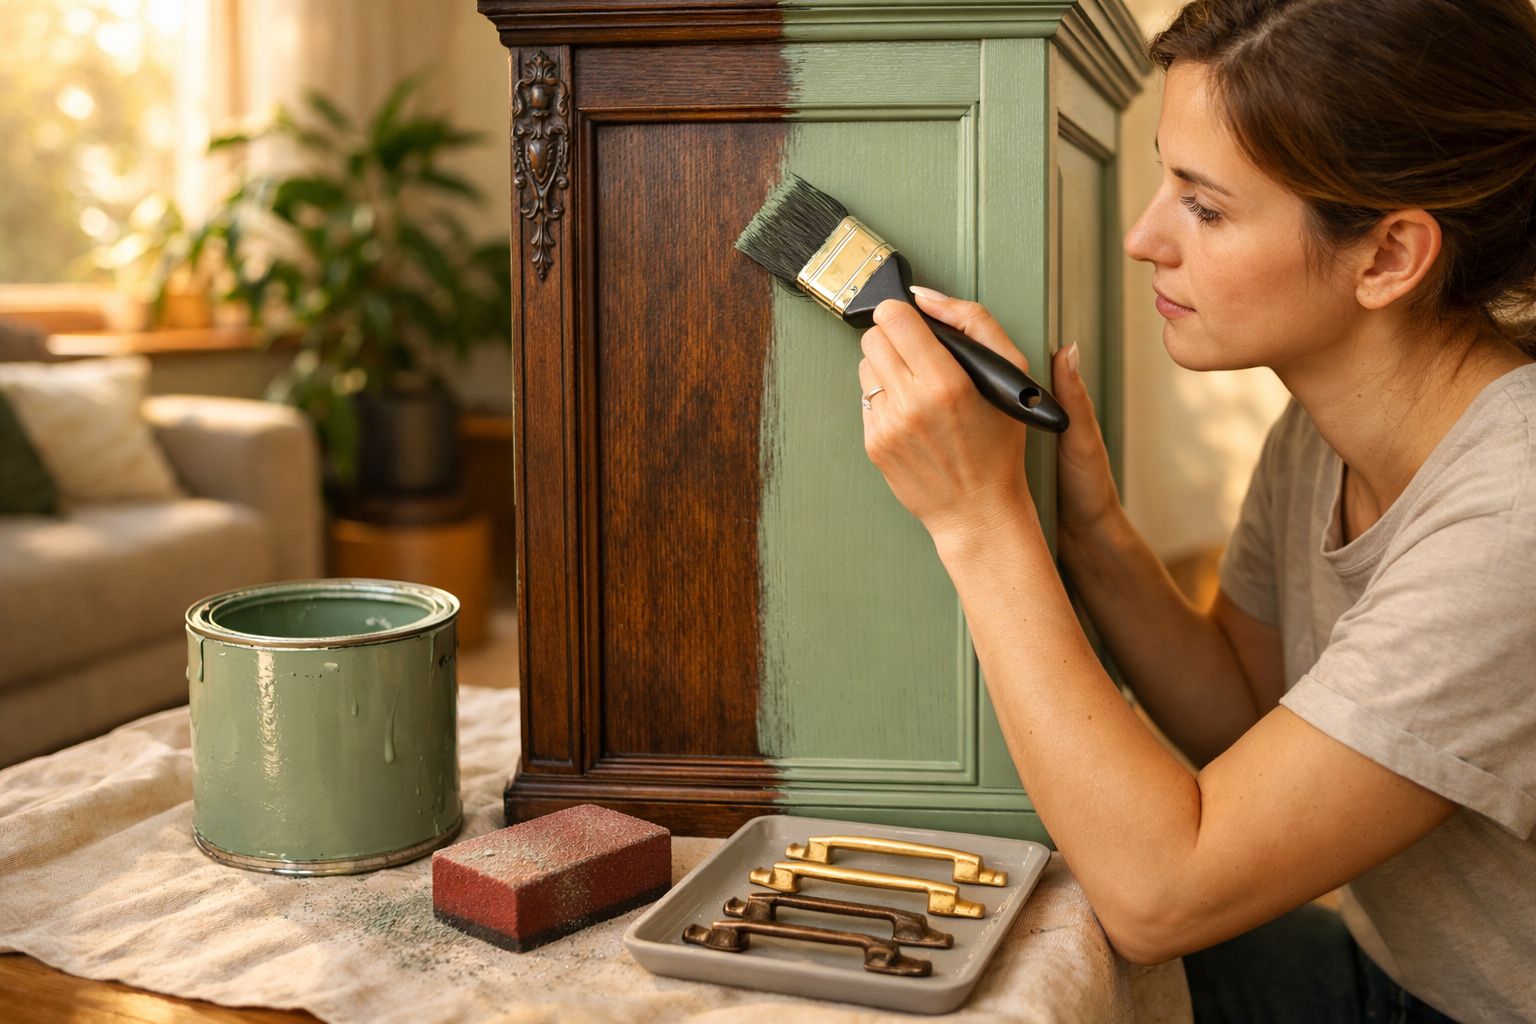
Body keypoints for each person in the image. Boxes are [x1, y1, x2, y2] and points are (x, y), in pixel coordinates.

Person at [851, 1, 1536, 1020]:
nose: (1143, 238)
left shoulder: (1509, 521)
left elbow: (1163, 895)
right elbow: (1245, 713)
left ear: (1388, 256)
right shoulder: (1318, 434)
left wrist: (979, 522)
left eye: (1204, 208)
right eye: (1166, 180)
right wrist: (1090, 531)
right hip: (1392, 971)